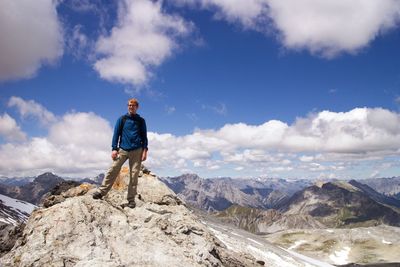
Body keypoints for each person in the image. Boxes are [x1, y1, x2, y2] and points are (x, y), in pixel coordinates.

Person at [93, 98, 148, 208]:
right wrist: (114, 148)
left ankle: (131, 200)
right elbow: (116, 134)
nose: (131, 107)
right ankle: (102, 192)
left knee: (134, 175)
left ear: (137, 107)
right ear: (127, 106)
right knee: (113, 169)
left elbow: (144, 136)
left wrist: (145, 150)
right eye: (129, 105)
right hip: (123, 149)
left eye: (133, 105)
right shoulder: (122, 119)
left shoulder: (141, 121)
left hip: (137, 150)